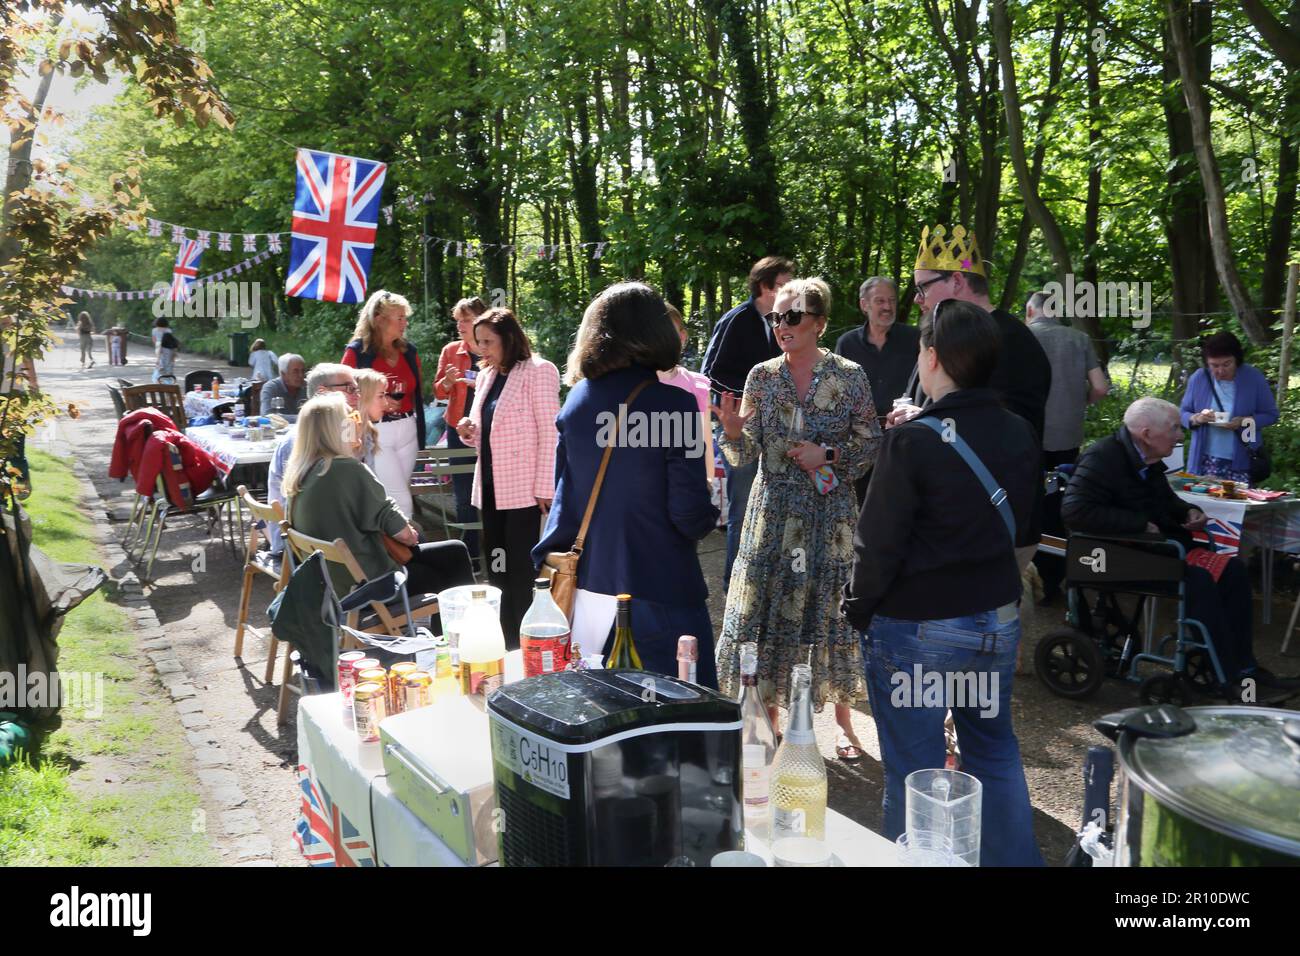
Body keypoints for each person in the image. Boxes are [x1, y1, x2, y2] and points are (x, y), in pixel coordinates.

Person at [843, 299, 1045, 867]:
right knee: (994, 750)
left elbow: (876, 543)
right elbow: (1026, 525)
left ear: (931, 358)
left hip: (917, 628)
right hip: (995, 621)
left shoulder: (912, 440)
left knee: (914, 767)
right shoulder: (1021, 433)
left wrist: (858, 608)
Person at [712, 277, 880, 759]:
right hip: (774, 512)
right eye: (775, 317)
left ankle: (845, 723)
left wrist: (826, 453)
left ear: (819, 323)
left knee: (827, 613)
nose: (781, 325)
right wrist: (730, 432)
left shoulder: (849, 376)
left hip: (830, 514)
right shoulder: (761, 377)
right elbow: (743, 457)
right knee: (768, 613)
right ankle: (768, 719)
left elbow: (871, 442)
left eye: (793, 316)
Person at [535, 283, 720, 681]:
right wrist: (711, 509)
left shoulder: (577, 399)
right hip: (660, 592)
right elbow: (689, 515)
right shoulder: (676, 403)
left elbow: (566, 498)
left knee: (606, 726)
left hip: (586, 592)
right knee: (682, 724)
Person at [1062, 396, 1298, 698]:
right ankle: (1225, 675)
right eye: (1174, 428)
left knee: (1234, 571)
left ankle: (1246, 669)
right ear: (1146, 434)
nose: (1180, 435)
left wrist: (1187, 512)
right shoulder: (1102, 458)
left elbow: (1165, 500)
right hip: (1122, 554)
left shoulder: (1146, 459)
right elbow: (1074, 511)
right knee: (1198, 580)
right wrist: (1136, 523)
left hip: (1159, 550)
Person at [890, 224, 1052, 572]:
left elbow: (1010, 433)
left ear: (957, 283)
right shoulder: (941, 339)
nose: (917, 299)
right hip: (951, 518)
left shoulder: (1013, 344)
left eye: (922, 287)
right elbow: (917, 401)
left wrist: (926, 420)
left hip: (992, 522)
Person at [282, 393, 473, 601]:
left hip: (328, 588)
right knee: (446, 564)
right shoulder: (348, 469)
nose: (358, 424)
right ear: (341, 428)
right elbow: (406, 535)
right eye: (353, 419)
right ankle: (467, 628)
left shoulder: (299, 474)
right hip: (367, 587)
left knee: (451, 552)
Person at [456, 308, 560, 647]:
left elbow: (551, 431)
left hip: (525, 490)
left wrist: (546, 487)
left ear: (509, 338)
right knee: (497, 567)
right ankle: (505, 639)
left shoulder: (540, 371)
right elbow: (480, 430)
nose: (481, 349)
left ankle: (530, 640)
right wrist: (467, 430)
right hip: (489, 487)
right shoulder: (485, 375)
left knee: (522, 570)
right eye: (478, 342)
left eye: (488, 342)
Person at [701, 255, 795, 589]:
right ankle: (734, 583)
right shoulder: (737, 320)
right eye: (784, 285)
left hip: (781, 430)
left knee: (778, 507)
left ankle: (767, 582)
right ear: (764, 286)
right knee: (744, 507)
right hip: (742, 429)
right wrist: (747, 401)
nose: (791, 292)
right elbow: (712, 372)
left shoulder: (784, 322)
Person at [834, 276, 919, 503]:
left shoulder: (915, 339)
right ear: (865, 305)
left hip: (904, 439)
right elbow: (838, 393)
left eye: (891, 300)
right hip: (861, 441)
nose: (888, 307)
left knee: (900, 502)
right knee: (861, 505)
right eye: (880, 301)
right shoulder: (847, 344)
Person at [343, 290, 425, 519]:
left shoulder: (409, 351)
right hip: (376, 431)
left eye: (405, 317)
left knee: (390, 494)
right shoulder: (358, 352)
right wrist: (375, 400)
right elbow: (343, 394)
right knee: (400, 497)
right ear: (379, 319)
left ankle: (385, 543)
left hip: (408, 429)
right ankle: (408, 548)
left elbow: (417, 390)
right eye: (399, 317)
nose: (405, 323)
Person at [267, 363, 360, 555]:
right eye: (349, 388)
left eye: (357, 389)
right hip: (302, 547)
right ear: (322, 392)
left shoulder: (345, 429)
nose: (357, 395)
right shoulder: (303, 441)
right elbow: (329, 505)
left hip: (317, 538)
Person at [1179, 331, 1278, 483]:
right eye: (1214, 365)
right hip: (1204, 459)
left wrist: (1245, 422)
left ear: (1236, 360)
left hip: (1242, 460)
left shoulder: (1253, 378)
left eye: (1227, 364)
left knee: (1237, 504)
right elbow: (1183, 413)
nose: (1220, 371)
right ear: (1207, 362)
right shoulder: (1200, 378)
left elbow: (1271, 415)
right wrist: (1197, 418)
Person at [1025, 291, 1109, 469]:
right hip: (1068, 433)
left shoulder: (1019, 336)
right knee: (1063, 485)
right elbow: (1100, 388)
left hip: (1027, 432)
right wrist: (1081, 401)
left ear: (1030, 310)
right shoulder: (1080, 339)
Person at [436, 296, 487, 560]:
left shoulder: (495, 349)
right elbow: (439, 393)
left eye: (466, 320)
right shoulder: (450, 351)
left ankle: (496, 549)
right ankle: (470, 555)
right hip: (458, 429)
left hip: (489, 430)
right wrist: (446, 383)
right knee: (463, 491)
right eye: (458, 321)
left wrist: (478, 383)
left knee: (492, 488)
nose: (460, 326)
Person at [658, 303, 715, 484]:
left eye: (670, 333)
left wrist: (708, 480)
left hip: (687, 481)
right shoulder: (637, 383)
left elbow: (705, 442)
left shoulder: (695, 385)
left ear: (682, 337)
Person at [353, 367, 386, 470]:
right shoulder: (348, 430)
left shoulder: (368, 431)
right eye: (381, 396)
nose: (386, 403)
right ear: (362, 397)